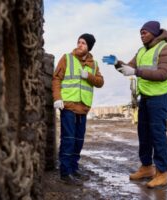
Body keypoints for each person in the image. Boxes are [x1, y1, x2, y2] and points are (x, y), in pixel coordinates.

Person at [102, 21, 167, 188]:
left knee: (157, 134)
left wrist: (136, 72)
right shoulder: (141, 51)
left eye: (145, 32)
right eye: (140, 33)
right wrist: (117, 63)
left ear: (154, 33)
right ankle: (146, 167)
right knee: (144, 134)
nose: (141, 35)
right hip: (145, 97)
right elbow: (127, 69)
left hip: (159, 96)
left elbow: (163, 73)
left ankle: (162, 172)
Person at [52, 33, 104, 185]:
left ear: (89, 47)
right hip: (68, 106)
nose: (80, 45)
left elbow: (100, 82)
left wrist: (88, 75)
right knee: (68, 139)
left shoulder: (93, 65)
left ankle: (74, 168)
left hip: (83, 108)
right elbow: (56, 78)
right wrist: (57, 98)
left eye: (84, 43)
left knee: (78, 141)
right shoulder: (67, 58)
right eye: (79, 42)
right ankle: (65, 173)